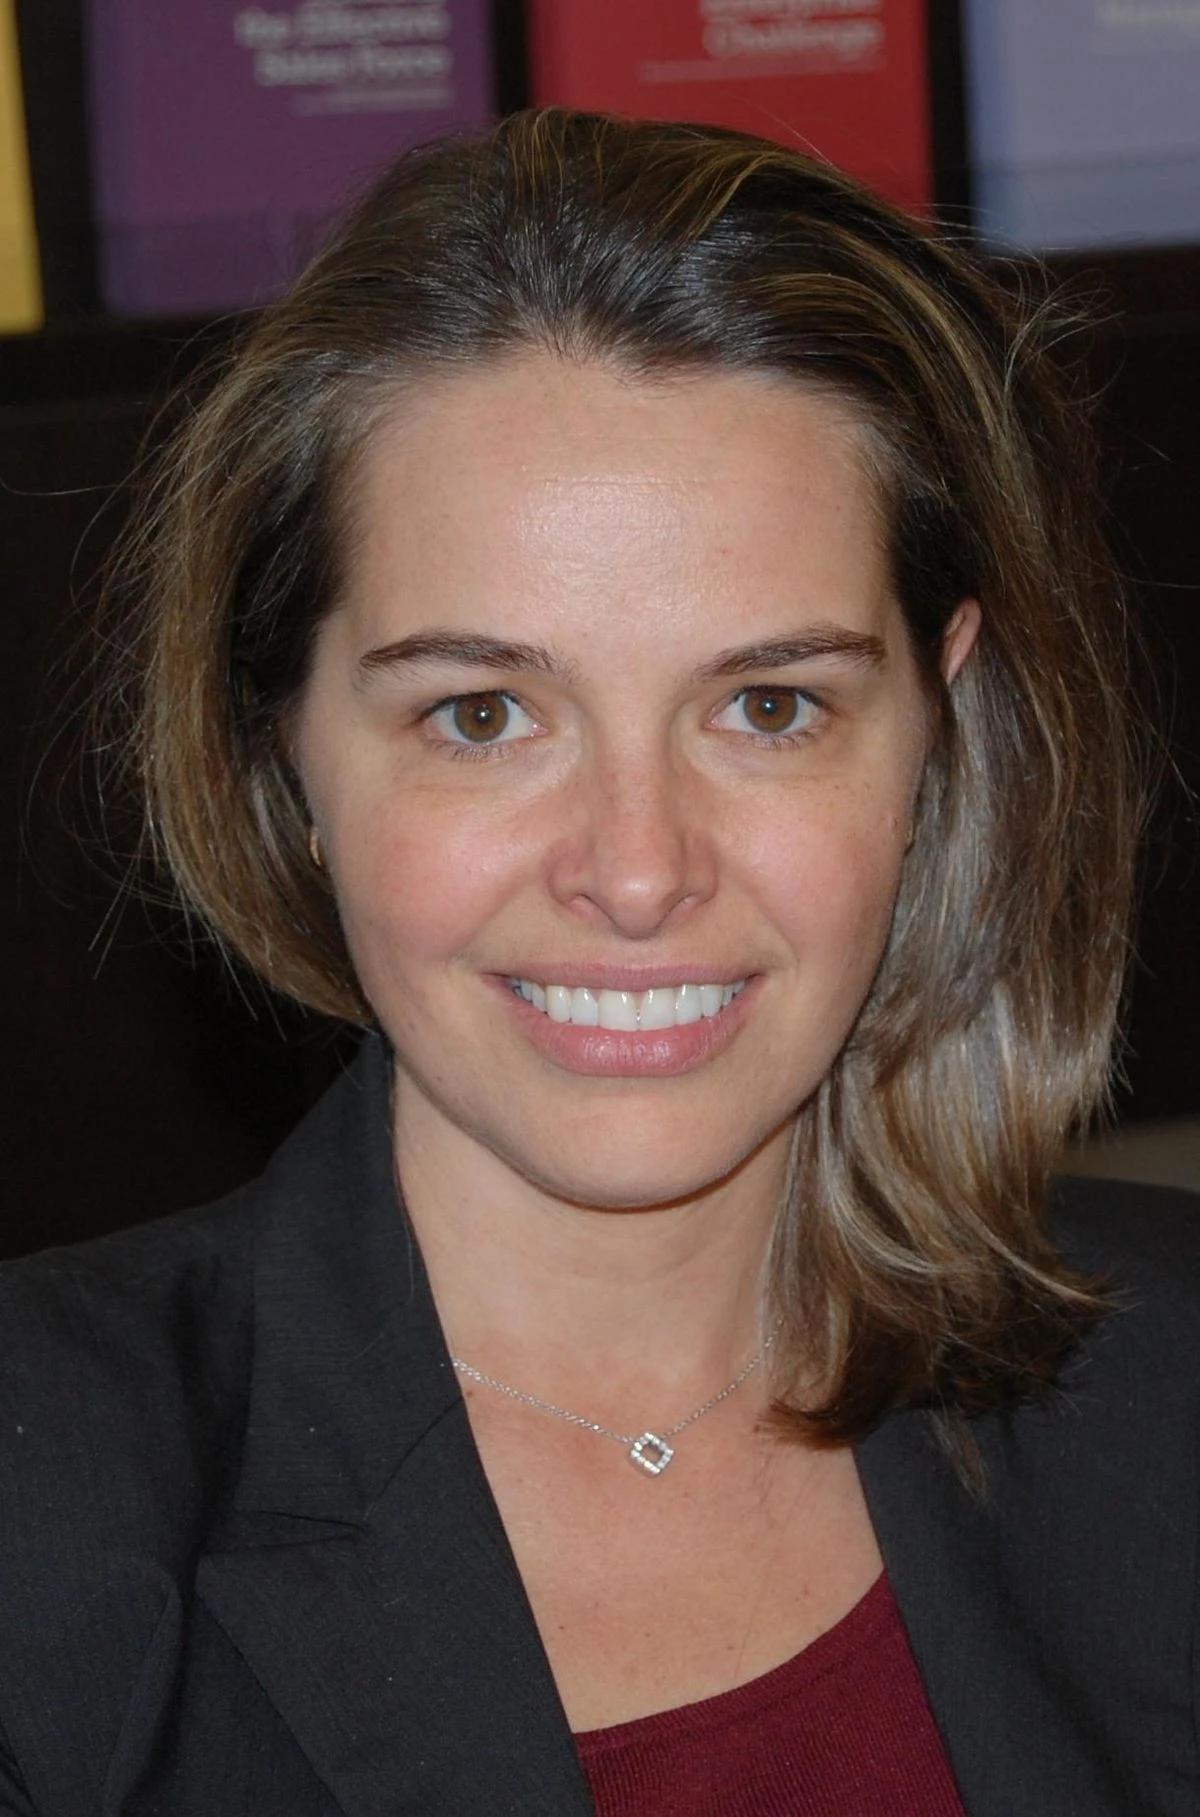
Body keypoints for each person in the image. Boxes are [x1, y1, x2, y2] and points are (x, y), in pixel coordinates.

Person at [1, 107, 1197, 1817]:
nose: (638, 872)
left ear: (938, 727)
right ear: (283, 748)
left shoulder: (1172, 1381)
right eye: (484, 716)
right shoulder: (45, 1520)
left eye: (769, 706)